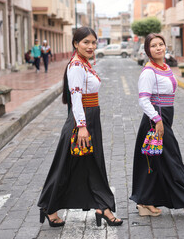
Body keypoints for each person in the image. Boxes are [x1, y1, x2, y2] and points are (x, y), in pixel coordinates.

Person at [37, 27, 123, 228]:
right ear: (76, 43)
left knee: (91, 164)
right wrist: (82, 126)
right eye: (86, 42)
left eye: (94, 42)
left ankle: (102, 206)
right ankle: (49, 207)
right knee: (65, 165)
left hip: (90, 118)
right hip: (81, 121)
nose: (91, 46)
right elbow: (76, 99)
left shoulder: (84, 63)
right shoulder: (76, 65)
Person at [130, 33, 184, 217]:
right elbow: (143, 100)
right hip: (155, 121)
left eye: (161, 44)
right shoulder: (149, 71)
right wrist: (157, 120)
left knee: (155, 161)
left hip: (164, 118)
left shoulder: (164, 67)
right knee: (173, 159)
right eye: (153, 45)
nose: (158, 48)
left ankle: (144, 202)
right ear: (147, 50)